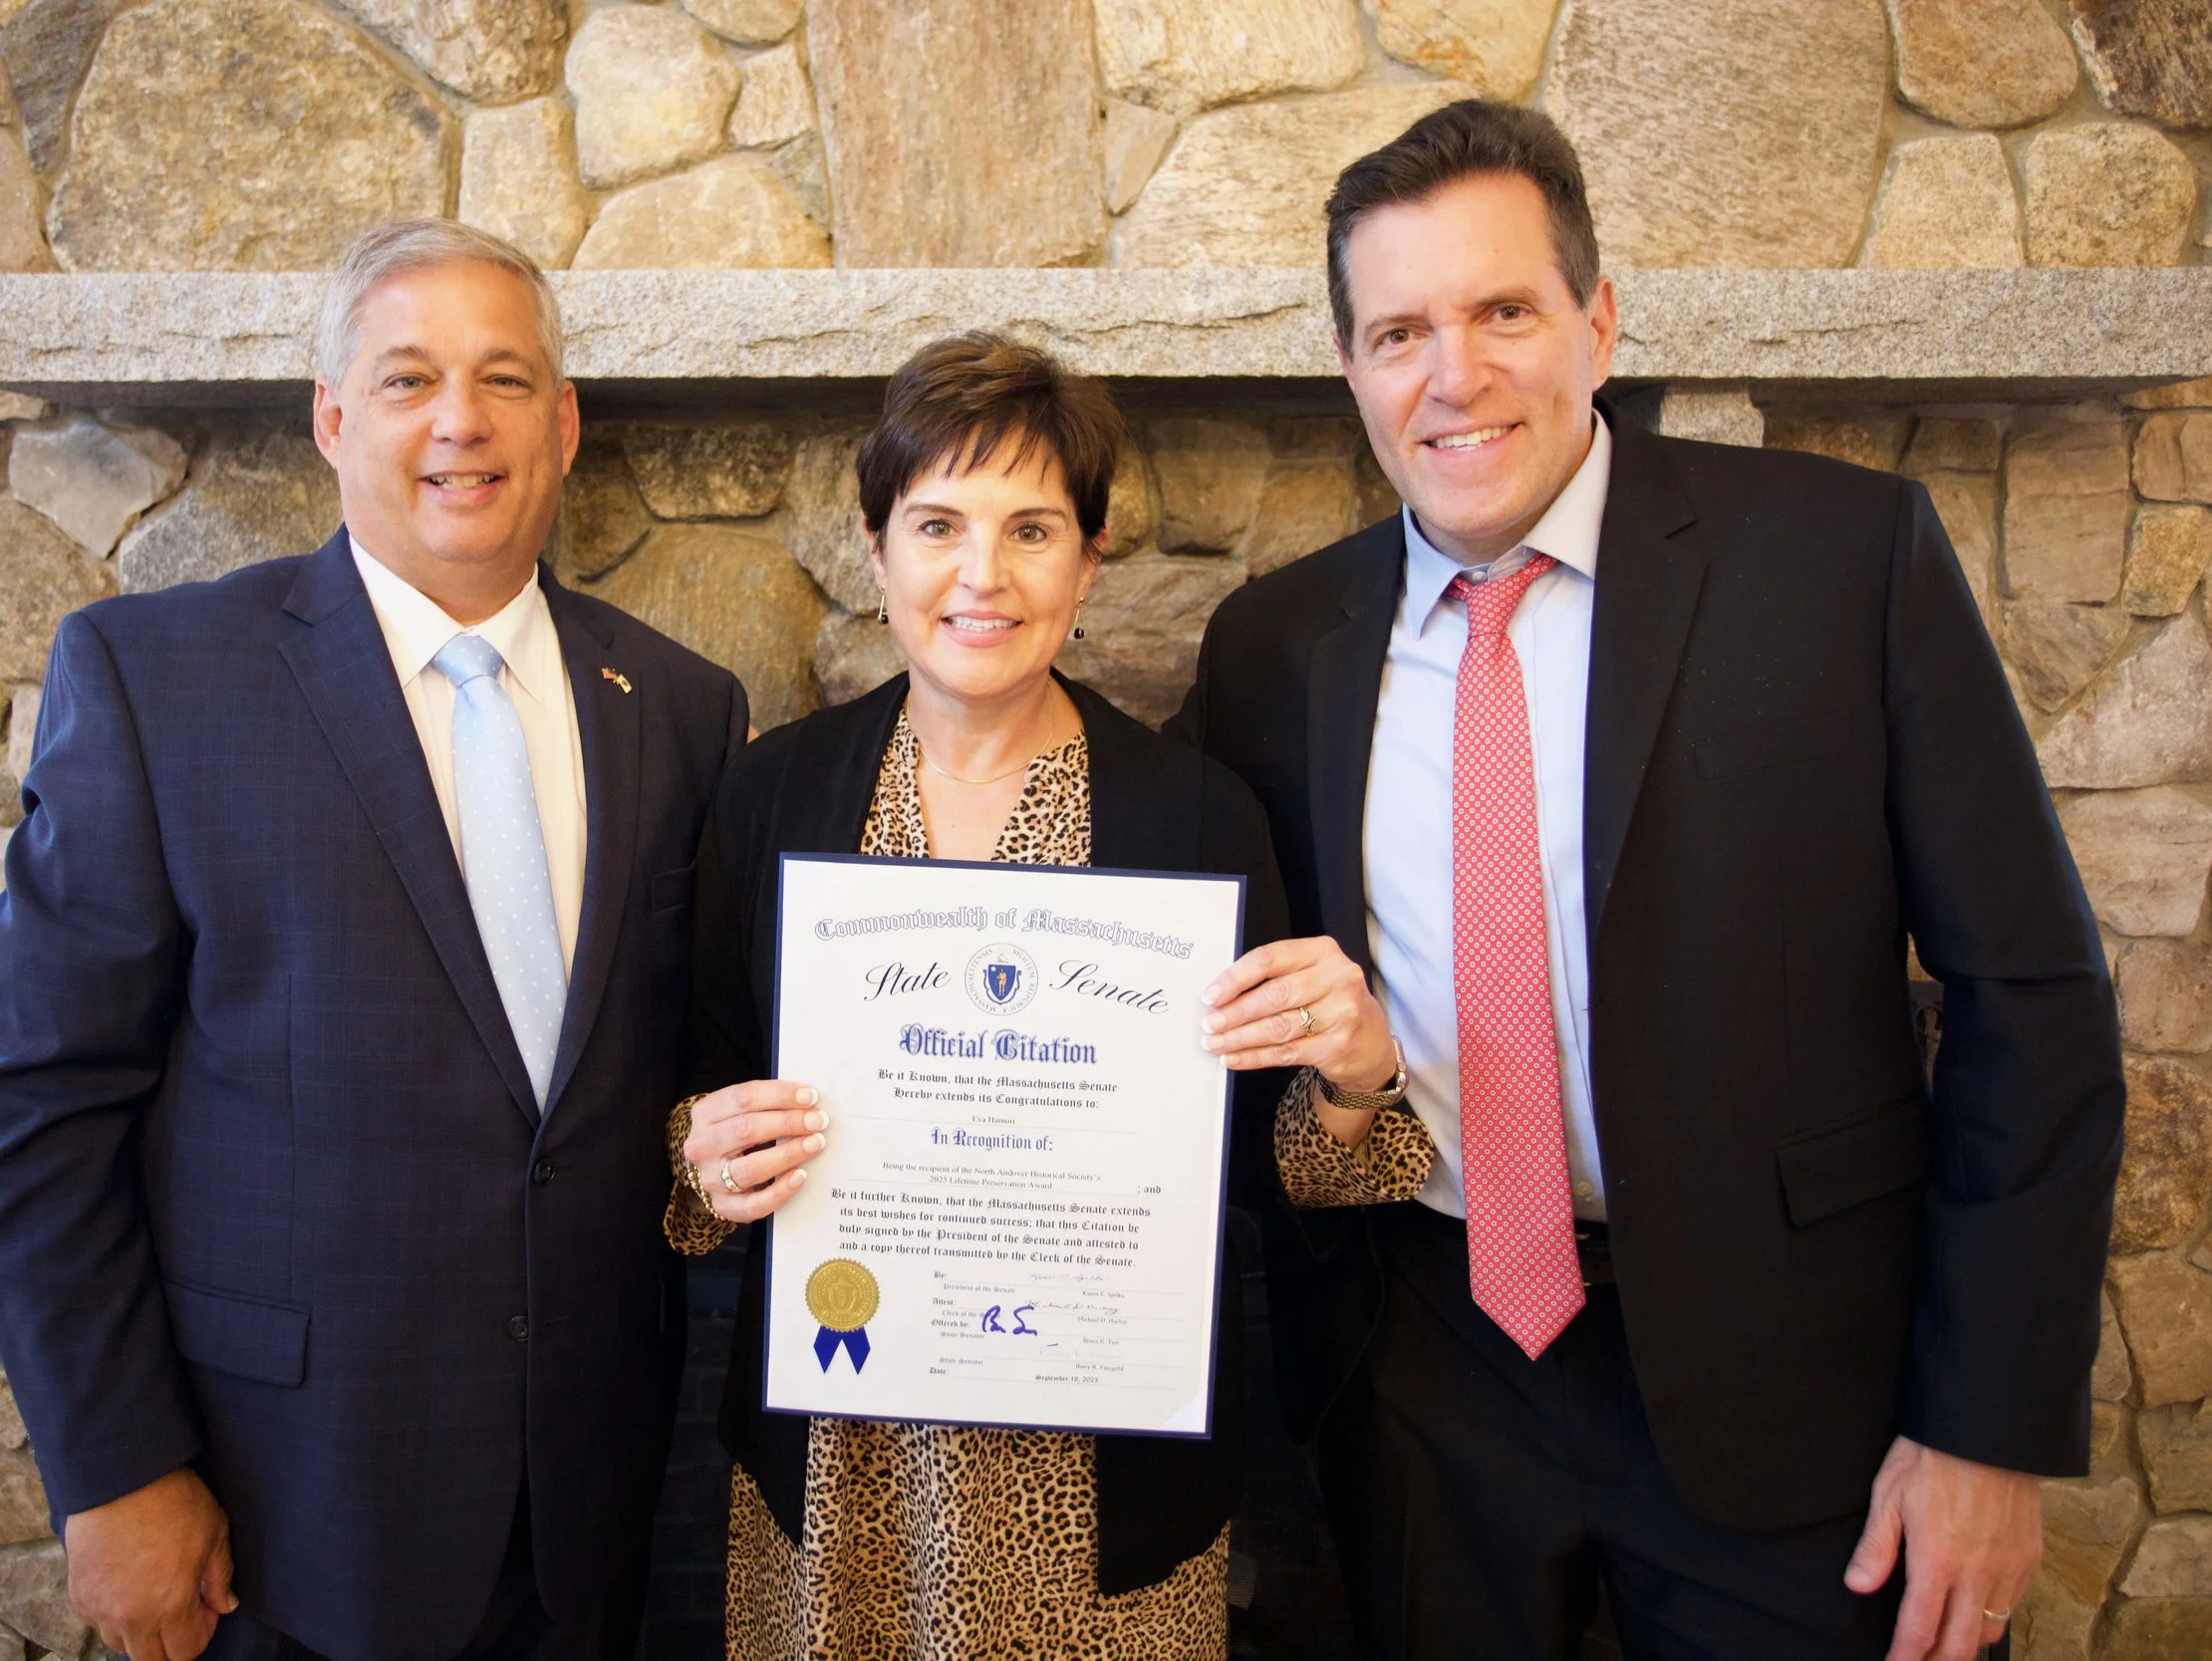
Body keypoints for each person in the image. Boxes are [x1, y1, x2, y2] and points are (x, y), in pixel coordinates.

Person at [1180, 101, 2125, 1661]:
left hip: (1809, 1387)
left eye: (1501, 311)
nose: (1453, 374)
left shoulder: (1844, 560)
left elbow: (2032, 992)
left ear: (1598, 322)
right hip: (1430, 1382)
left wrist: (1989, 1425)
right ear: (1351, 365)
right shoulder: (1273, 646)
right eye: (1400, 329)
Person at [0, 219, 749, 1661]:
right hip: (280, 1517)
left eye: (506, 379)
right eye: (406, 379)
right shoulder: (158, 680)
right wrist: (118, 1469)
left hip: (590, 1506)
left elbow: (660, 1092)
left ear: (561, 425)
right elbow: (37, 1102)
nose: (462, 419)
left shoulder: (681, 707)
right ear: (330, 417)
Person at [665, 333, 1436, 1659]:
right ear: (873, 546)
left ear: (1087, 557)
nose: (983, 575)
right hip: (842, 1473)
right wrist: (702, 1156)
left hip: (1104, 1491)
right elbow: (687, 1108)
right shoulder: (772, 795)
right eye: (937, 525)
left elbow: (1273, 1170)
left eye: (1031, 527)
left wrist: (1358, 1077)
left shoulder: (1195, 816)